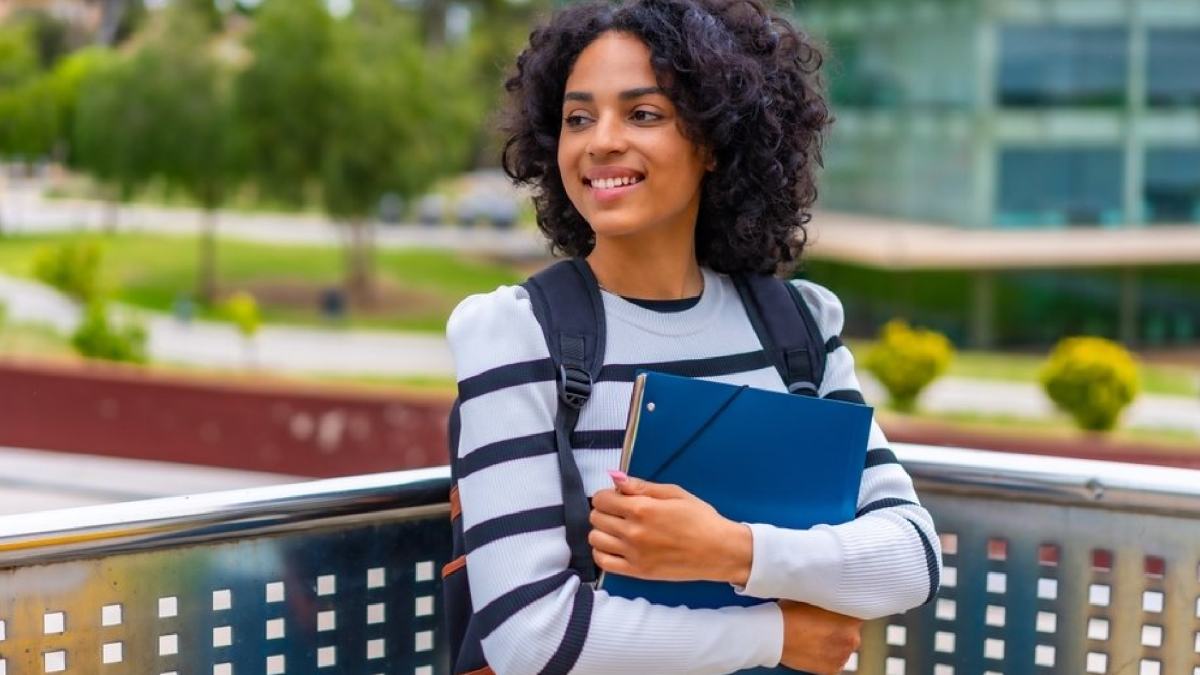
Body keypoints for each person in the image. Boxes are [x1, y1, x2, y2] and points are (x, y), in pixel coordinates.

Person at [445, 0, 942, 673]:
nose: (600, 141)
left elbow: (910, 558)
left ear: (713, 140)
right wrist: (777, 636)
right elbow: (529, 634)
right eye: (578, 117)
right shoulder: (518, 333)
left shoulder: (796, 327)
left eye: (643, 113)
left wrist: (729, 550)